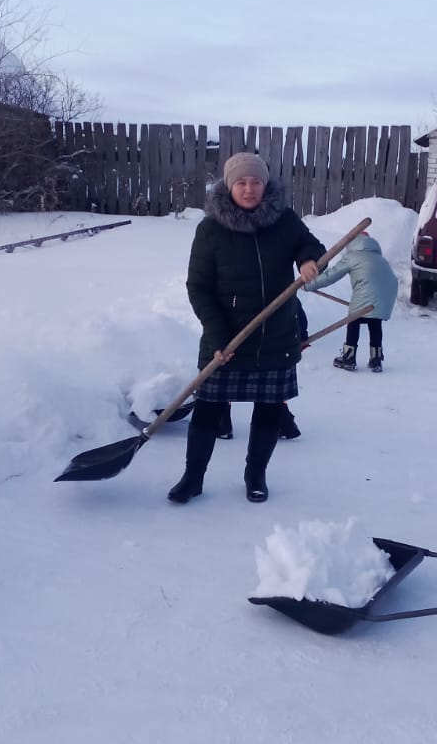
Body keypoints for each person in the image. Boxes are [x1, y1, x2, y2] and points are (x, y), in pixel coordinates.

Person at [168, 152, 326, 504]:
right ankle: (193, 478)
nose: (249, 188)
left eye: (256, 181)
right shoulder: (210, 229)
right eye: (241, 182)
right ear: (228, 185)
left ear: (265, 184)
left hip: (276, 336)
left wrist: (309, 260)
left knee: (269, 410)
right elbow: (199, 287)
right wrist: (218, 334)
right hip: (226, 339)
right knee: (208, 409)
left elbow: (308, 244)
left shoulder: (283, 220)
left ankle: (255, 474)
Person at [303, 230, 399, 372]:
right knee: (375, 321)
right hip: (387, 294)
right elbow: (390, 279)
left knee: (353, 320)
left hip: (367, 294)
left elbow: (331, 275)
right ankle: (376, 359)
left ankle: (349, 358)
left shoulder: (353, 256)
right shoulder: (379, 257)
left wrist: (309, 285)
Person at [216, 300, 307, 441]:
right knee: (266, 386)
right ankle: (284, 424)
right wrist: (302, 334)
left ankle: (222, 424)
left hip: (250, 341)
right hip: (265, 342)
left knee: (225, 378)